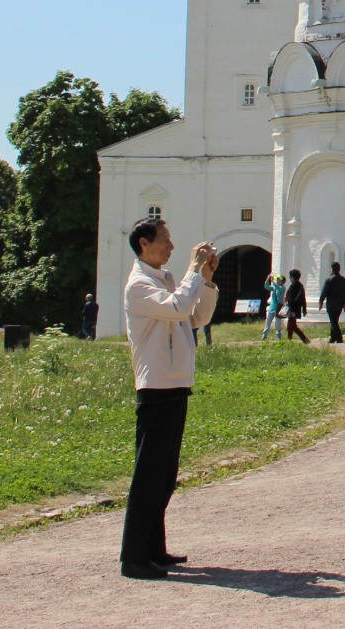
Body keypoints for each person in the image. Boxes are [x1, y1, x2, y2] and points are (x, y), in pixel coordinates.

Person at [119, 217, 217, 580]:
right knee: (148, 475)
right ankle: (133, 557)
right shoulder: (138, 286)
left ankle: (154, 548)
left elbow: (195, 318)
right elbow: (177, 308)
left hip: (175, 384)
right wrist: (193, 269)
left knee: (164, 476)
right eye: (165, 240)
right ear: (144, 244)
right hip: (155, 386)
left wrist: (205, 279)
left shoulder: (165, 281)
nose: (172, 247)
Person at [319, 260, 345, 344]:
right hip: (340, 304)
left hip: (331, 304)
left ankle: (339, 338)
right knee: (335, 320)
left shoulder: (329, 280)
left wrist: (321, 302)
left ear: (332, 269)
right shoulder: (344, 280)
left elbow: (324, 292)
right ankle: (332, 338)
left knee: (334, 322)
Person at [260, 271, 284, 341]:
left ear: (282, 281)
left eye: (279, 280)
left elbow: (277, 287)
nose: (278, 281)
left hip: (278, 308)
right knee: (268, 323)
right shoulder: (274, 288)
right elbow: (267, 287)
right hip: (272, 307)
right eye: (277, 279)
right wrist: (268, 279)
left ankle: (279, 337)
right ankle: (264, 336)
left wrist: (273, 281)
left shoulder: (282, 288)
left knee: (277, 323)